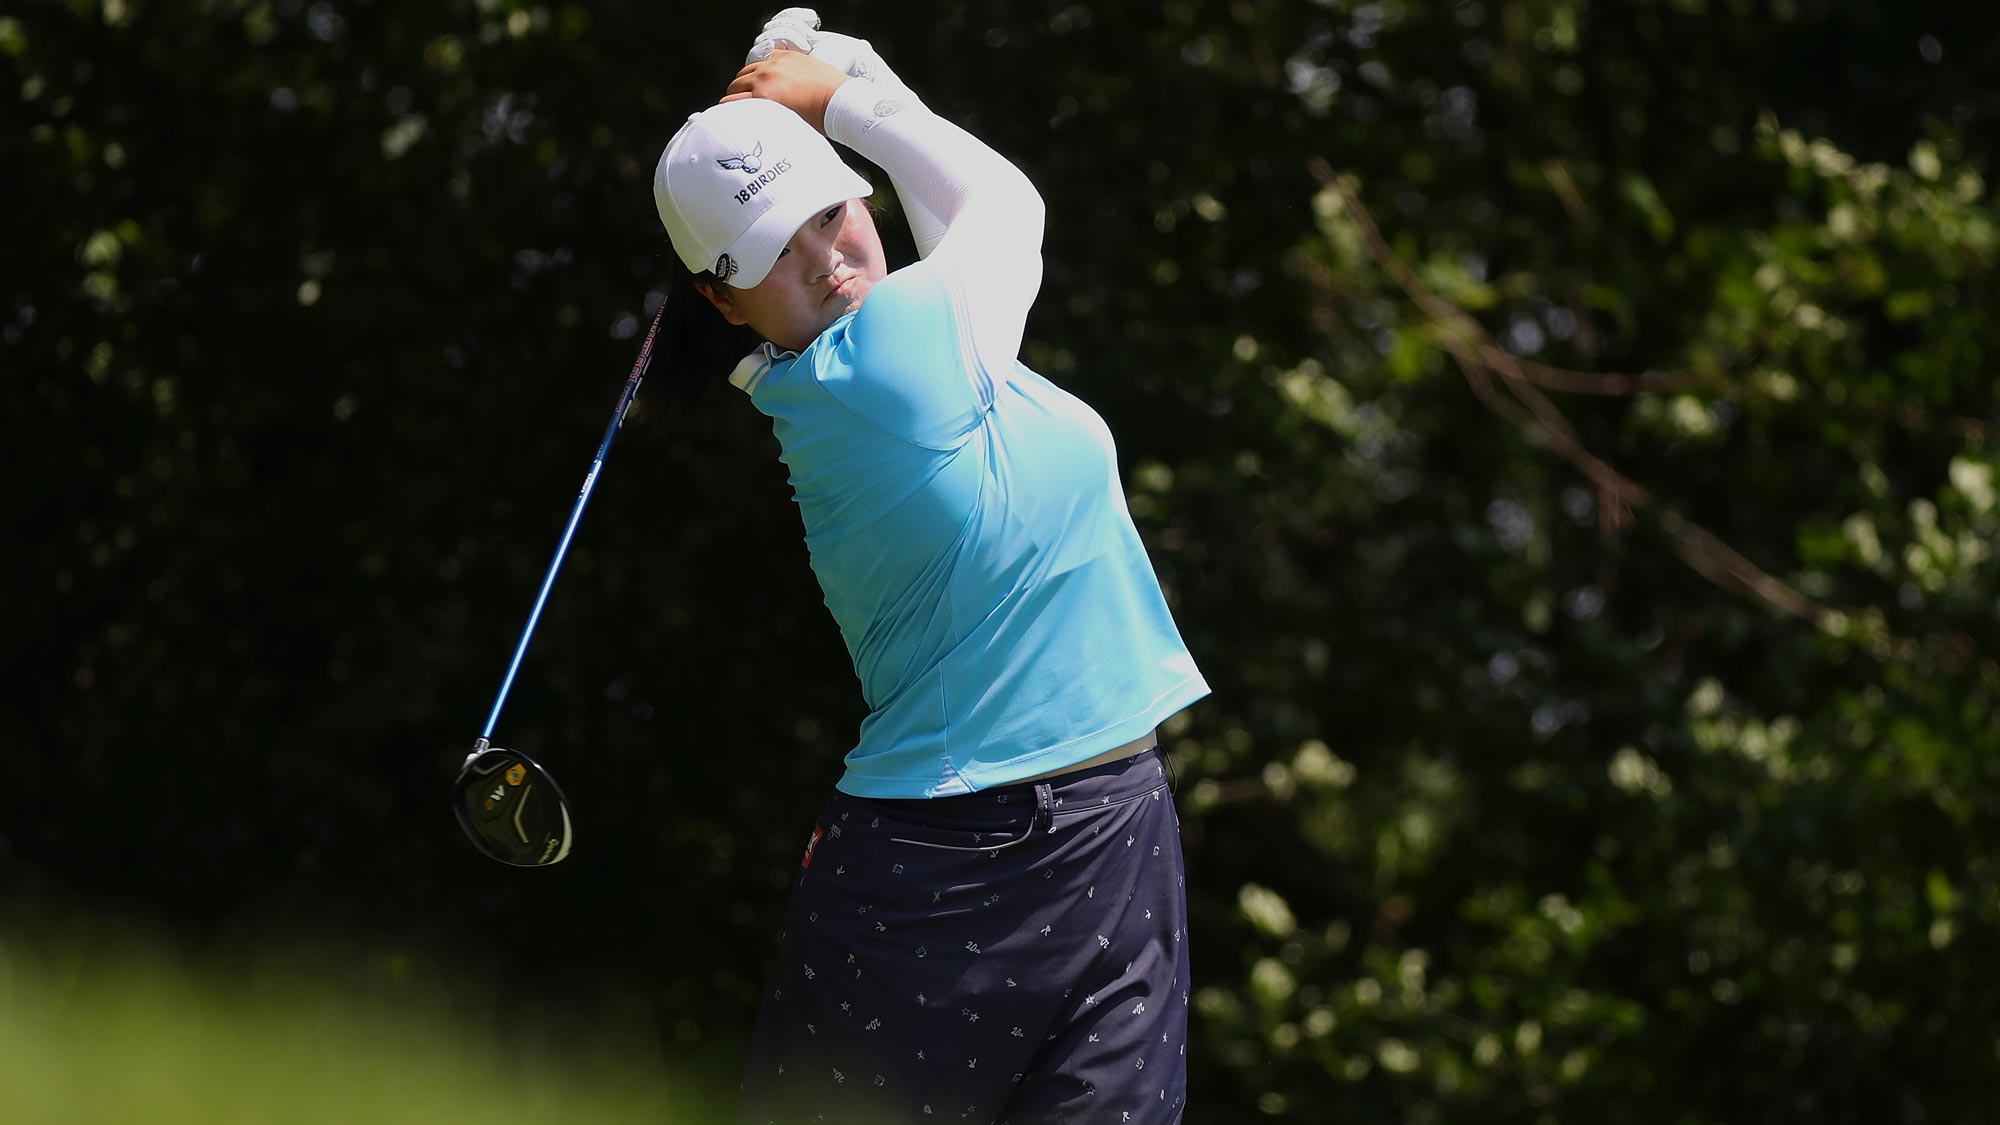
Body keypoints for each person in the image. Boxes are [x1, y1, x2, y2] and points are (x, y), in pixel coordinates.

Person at [652, 11, 1210, 1123]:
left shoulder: (933, 348)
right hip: (951, 873)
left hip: (1113, 824)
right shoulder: (875, 371)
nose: (823, 257)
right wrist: (842, 96)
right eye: (771, 253)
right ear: (723, 300)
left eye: (828, 212)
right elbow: (1006, 208)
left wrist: (851, 73)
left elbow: (947, 211)